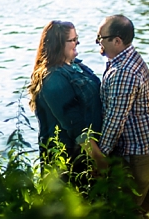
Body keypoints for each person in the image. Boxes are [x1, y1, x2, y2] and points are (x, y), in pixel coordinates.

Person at [89, 15, 149, 217]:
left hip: (137, 154)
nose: (98, 42)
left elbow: (115, 121)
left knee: (125, 212)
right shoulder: (128, 59)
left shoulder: (124, 72)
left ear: (117, 40)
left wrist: (100, 158)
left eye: (101, 38)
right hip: (148, 149)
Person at [28, 21, 102, 181]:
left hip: (86, 154)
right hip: (68, 161)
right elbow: (74, 124)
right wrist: (99, 159)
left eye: (77, 38)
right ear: (58, 44)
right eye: (73, 40)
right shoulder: (53, 78)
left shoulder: (78, 67)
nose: (78, 43)